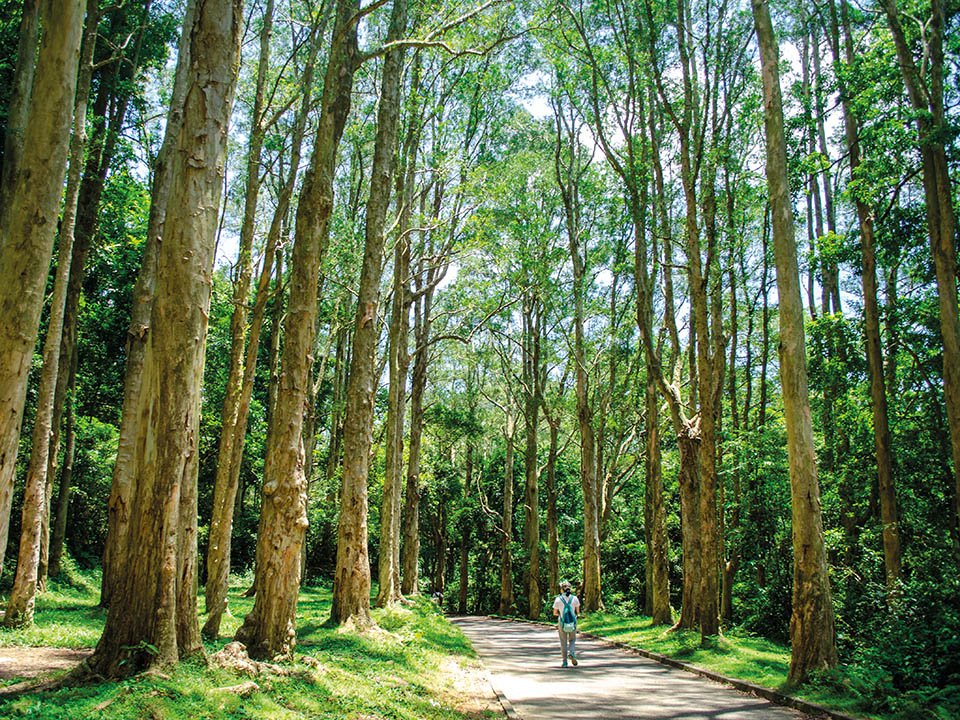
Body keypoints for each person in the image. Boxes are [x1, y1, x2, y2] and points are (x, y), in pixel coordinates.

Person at [552, 580, 581, 667]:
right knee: (572, 639)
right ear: (570, 588)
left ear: (561, 589)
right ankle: (571, 652)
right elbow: (577, 612)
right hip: (572, 622)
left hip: (562, 622)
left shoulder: (558, 599)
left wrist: (560, 614)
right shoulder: (574, 598)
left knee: (563, 642)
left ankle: (564, 662)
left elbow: (555, 613)